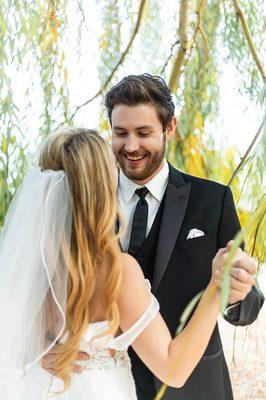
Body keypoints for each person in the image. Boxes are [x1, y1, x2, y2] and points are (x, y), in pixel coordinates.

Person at [0, 128, 257, 400]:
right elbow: (174, 369)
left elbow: (10, 336)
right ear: (100, 188)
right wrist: (216, 288)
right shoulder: (116, 271)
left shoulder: (31, 269)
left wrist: (33, 351)